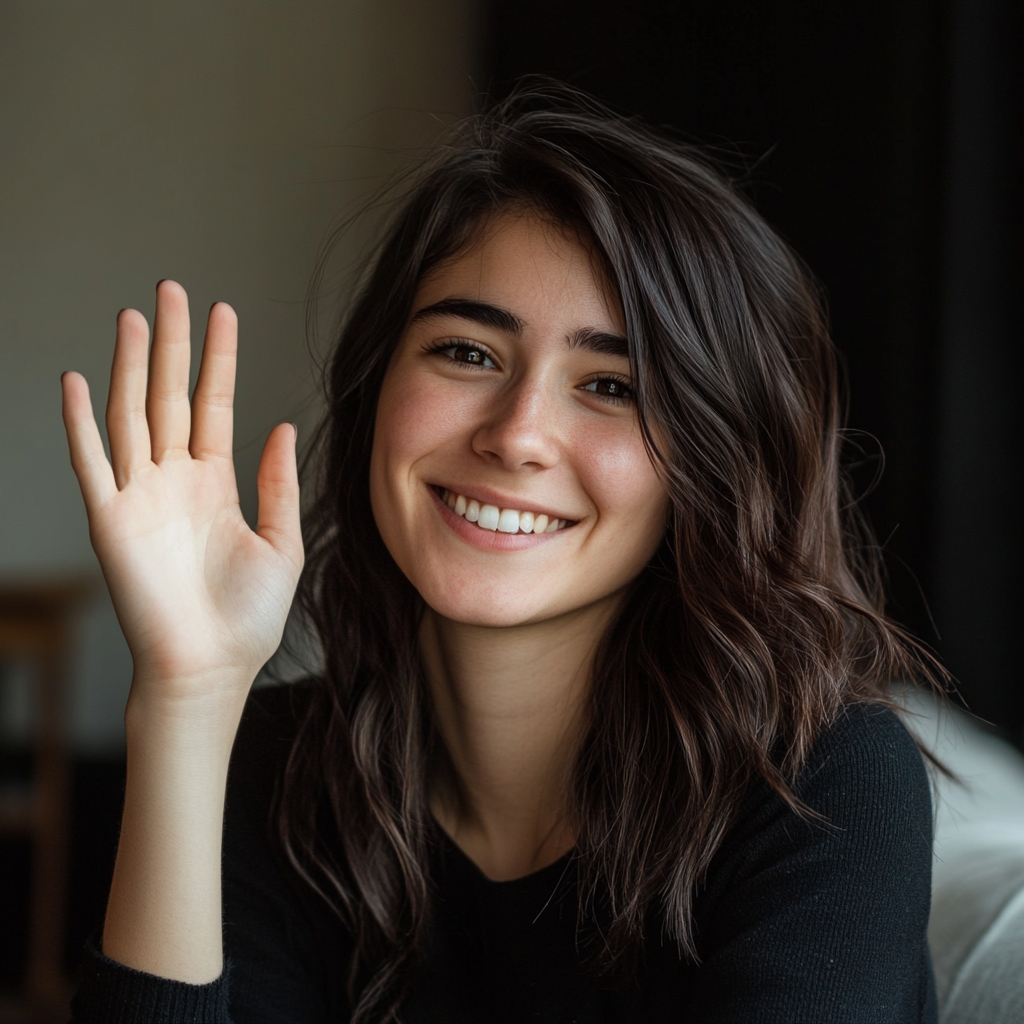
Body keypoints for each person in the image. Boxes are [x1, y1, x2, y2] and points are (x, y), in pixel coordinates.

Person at [64, 82, 940, 1023]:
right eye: (469, 354)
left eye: (610, 384)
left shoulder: (824, 786)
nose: (518, 435)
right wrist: (187, 699)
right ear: (376, 388)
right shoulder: (277, 773)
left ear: (715, 462)